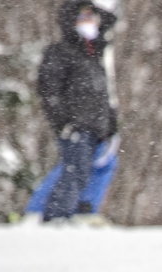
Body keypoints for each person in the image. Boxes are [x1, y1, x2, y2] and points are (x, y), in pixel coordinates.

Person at [35, 1, 119, 222]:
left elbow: (103, 96)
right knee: (74, 172)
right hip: (75, 126)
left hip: (97, 128)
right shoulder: (61, 52)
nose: (89, 23)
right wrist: (63, 123)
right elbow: (49, 91)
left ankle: (80, 212)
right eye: (83, 18)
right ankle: (55, 216)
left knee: (91, 173)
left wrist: (110, 126)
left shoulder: (93, 55)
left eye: (91, 18)